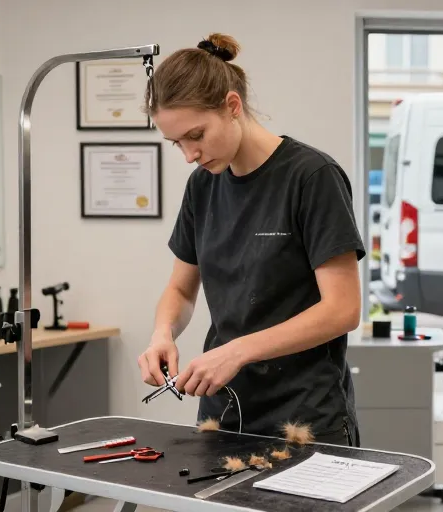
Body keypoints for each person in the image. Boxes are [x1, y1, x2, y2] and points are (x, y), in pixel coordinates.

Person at [136, 33, 366, 447]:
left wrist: (238, 351)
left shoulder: (311, 178)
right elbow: (180, 289)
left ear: (232, 107)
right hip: (224, 414)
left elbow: (343, 309)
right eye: (177, 144)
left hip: (307, 417)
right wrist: (162, 334)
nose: (189, 154)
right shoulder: (202, 187)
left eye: (196, 135)